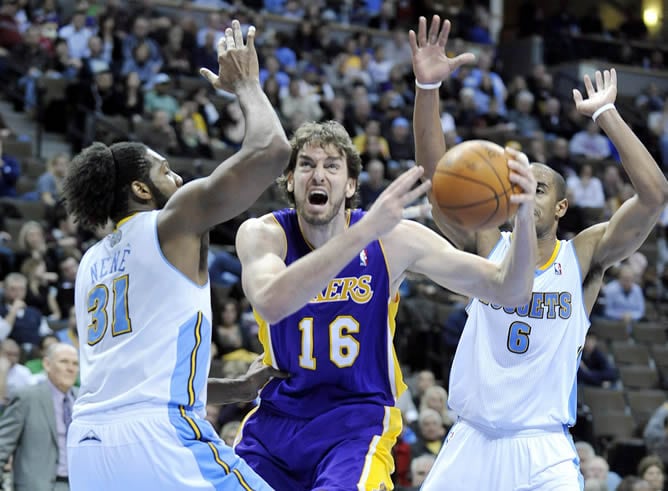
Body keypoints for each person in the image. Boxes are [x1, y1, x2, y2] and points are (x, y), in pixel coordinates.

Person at [410, 15, 668, 491]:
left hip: (542, 446)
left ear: (562, 205)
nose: (526, 190)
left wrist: (605, 114)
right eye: (519, 183)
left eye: (540, 186)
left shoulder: (584, 255)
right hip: (471, 439)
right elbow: (435, 181)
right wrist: (427, 87)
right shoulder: (489, 243)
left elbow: (653, 195)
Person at [233, 118, 538, 490]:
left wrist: (523, 215)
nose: (318, 175)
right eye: (307, 165)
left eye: (331, 166)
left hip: (355, 424)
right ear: (290, 181)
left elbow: (510, 291)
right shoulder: (263, 235)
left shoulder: (393, 241)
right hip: (276, 425)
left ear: (350, 185)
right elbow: (270, 302)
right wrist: (366, 230)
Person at [63, 20, 291, 491]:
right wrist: (247, 85)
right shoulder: (174, 221)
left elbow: (138, 379)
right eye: (166, 171)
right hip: (159, 438)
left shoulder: (91, 262)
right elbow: (272, 151)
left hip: (88, 444)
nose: (180, 180)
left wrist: (238, 390)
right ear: (142, 189)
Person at [0, 343, 79, 490]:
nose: (71, 368)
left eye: (75, 363)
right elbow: (2, 445)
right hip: (38, 486)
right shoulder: (27, 397)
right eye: (64, 362)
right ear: (47, 364)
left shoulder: (84, 400)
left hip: (79, 484)